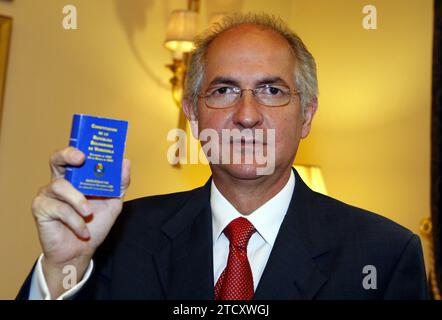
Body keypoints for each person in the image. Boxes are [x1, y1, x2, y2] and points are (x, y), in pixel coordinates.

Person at [17, 13, 428, 300]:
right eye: (224, 90)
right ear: (194, 117)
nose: (247, 115)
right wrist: (60, 269)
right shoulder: (114, 241)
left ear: (307, 116)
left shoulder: (383, 256)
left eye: (272, 90)